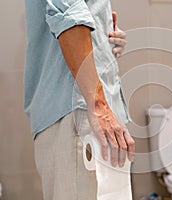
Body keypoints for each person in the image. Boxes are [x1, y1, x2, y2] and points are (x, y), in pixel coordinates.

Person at [24, 0, 135, 199]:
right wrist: (98, 105)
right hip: (81, 111)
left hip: (85, 109)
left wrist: (104, 33)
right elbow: (69, 18)